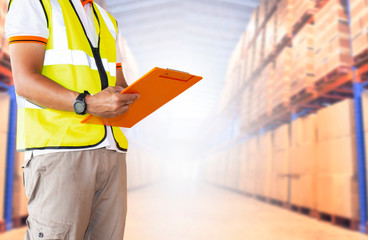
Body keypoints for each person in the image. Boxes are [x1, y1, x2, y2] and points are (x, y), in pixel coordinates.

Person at [5, 0, 139, 239]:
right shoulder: (34, 3)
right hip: (60, 150)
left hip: (111, 152)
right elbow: (25, 81)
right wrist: (87, 102)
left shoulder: (106, 18)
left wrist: (136, 97)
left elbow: (117, 82)